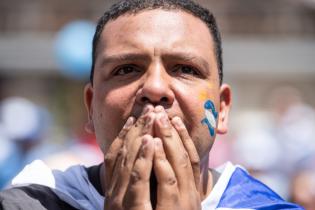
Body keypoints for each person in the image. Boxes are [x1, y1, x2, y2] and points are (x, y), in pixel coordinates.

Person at [0, 0, 303, 209]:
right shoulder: (32, 202)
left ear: (222, 109)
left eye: (185, 68)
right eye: (126, 69)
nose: (155, 89)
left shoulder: (264, 206)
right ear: (91, 107)